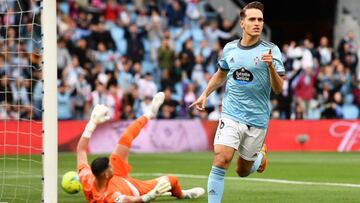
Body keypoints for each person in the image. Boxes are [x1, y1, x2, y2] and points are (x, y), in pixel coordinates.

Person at [189, 2, 285, 203]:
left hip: (257, 119)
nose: (257, 23)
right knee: (221, 159)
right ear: (242, 23)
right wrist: (205, 93)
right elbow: (220, 74)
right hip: (231, 113)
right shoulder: (230, 49)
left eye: (260, 20)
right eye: (252, 19)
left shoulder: (271, 50)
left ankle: (258, 158)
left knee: (242, 171)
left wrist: (271, 68)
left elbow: (278, 88)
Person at [77, 92, 205, 202]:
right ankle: (182, 194)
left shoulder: (87, 179)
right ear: (105, 174)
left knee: (125, 138)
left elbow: (81, 150)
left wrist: (91, 124)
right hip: (133, 188)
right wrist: (148, 197)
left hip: (117, 175)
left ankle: (150, 113)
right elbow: (127, 200)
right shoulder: (107, 196)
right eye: (109, 166)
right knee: (171, 180)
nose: (111, 164)